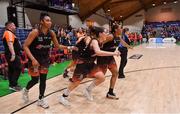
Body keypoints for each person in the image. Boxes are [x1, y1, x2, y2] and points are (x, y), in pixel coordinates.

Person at [22, 12, 75, 109]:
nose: (50, 22)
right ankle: (25, 90)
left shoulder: (51, 33)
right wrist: (33, 59)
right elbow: (25, 46)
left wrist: (70, 47)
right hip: (34, 60)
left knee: (43, 80)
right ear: (41, 22)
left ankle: (40, 99)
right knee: (34, 80)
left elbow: (57, 46)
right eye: (47, 20)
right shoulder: (35, 32)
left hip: (45, 59)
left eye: (50, 20)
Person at [59, 26, 120, 106]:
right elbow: (98, 52)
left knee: (101, 77)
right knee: (76, 83)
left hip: (91, 64)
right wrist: (114, 53)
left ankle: (88, 89)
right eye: (105, 32)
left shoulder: (100, 41)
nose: (107, 34)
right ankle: (63, 97)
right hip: (83, 64)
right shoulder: (94, 41)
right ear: (100, 34)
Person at [97, 24, 132, 99]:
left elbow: (123, 43)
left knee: (115, 73)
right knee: (101, 76)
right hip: (103, 57)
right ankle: (88, 88)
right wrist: (96, 51)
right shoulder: (110, 36)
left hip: (110, 57)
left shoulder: (118, 37)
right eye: (120, 28)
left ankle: (110, 92)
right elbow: (100, 43)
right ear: (116, 29)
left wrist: (129, 46)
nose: (122, 29)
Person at [2, 21, 22, 91]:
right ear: (9, 26)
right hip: (12, 54)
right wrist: (13, 54)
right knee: (18, 68)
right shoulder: (8, 32)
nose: (15, 27)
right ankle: (14, 84)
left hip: (10, 54)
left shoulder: (9, 33)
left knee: (12, 69)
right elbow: (10, 44)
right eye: (13, 25)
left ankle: (12, 85)